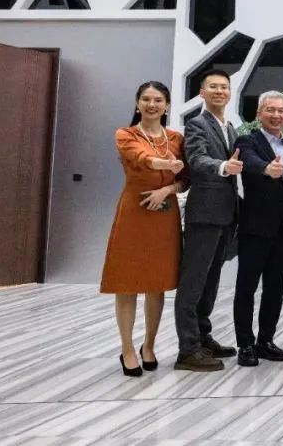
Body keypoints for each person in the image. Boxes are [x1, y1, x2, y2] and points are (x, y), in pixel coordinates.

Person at [102, 81, 186, 376]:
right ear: (137, 103)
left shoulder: (176, 138)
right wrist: (163, 163)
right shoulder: (126, 134)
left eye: (158, 100)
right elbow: (139, 157)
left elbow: (185, 179)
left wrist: (167, 190)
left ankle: (149, 345)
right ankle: (127, 348)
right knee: (126, 283)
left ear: (167, 105)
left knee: (156, 282)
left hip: (164, 213)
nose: (152, 105)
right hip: (134, 211)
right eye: (146, 99)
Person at [175, 69, 241, 372]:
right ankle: (188, 350)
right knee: (193, 283)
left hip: (225, 214)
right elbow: (197, 159)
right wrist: (223, 167)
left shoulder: (229, 127)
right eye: (213, 86)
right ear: (202, 92)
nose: (219, 91)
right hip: (204, 214)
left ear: (229, 92)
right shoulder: (197, 124)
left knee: (210, 281)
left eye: (224, 87)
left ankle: (203, 337)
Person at [232, 91, 283, 367]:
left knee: (275, 289)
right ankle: (245, 344)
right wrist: (266, 169)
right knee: (246, 288)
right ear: (259, 114)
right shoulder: (247, 141)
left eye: (281, 111)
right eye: (270, 110)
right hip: (255, 228)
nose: (276, 115)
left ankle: (265, 340)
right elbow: (248, 160)